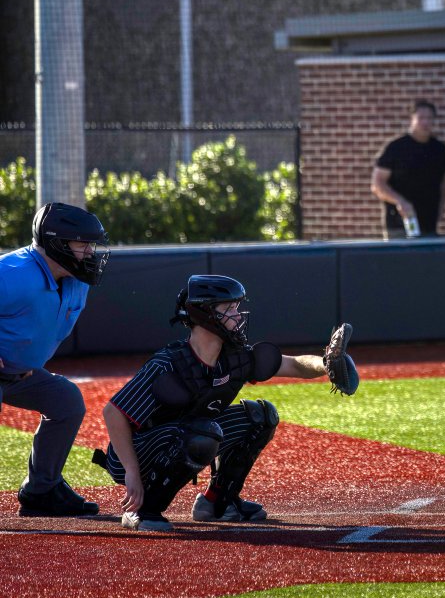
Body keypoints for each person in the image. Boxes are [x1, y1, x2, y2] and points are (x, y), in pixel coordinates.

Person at [97, 274, 355, 532]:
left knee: (261, 416)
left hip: (189, 435)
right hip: (132, 454)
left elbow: (295, 365)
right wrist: (131, 471)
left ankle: (217, 503)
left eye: (236, 308)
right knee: (200, 433)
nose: (238, 316)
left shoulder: (234, 358)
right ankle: (141, 509)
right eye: (229, 309)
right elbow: (114, 413)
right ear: (206, 315)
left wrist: (327, 364)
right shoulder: (167, 364)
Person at [0, 203, 109, 517]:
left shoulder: (77, 280)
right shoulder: (12, 274)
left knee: (65, 401)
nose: (90, 252)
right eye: (83, 244)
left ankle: (42, 490)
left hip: (20, 374)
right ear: (58, 243)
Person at [371, 99, 445, 239]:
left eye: (429, 118)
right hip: (399, 225)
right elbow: (377, 184)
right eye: (421, 118)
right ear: (412, 119)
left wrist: (441, 209)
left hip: (428, 224)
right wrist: (400, 201)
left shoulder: (439, 150)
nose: (425, 122)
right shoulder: (396, 148)